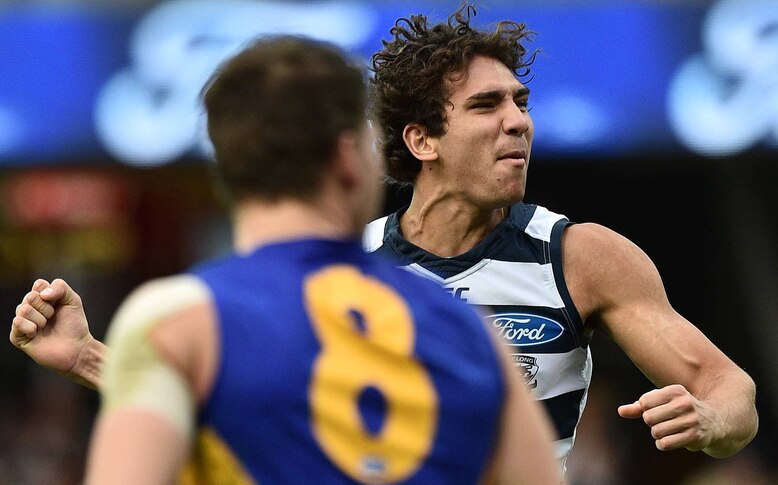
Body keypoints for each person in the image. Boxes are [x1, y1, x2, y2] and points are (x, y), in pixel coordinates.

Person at [11, 4, 758, 479]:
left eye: (522, 103)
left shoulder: (578, 254)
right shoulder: (351, 265)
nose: (519, 122)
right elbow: (237, 386)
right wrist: (82, 356)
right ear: (420, 138)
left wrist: (716, 421)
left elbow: (728, 388)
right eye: (488, 106)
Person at [14, 35, 561, 484]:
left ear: (227, 170)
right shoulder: (468, 330)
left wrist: (95, 360)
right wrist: (87, 358)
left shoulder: (178, 322)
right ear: (349, 157)